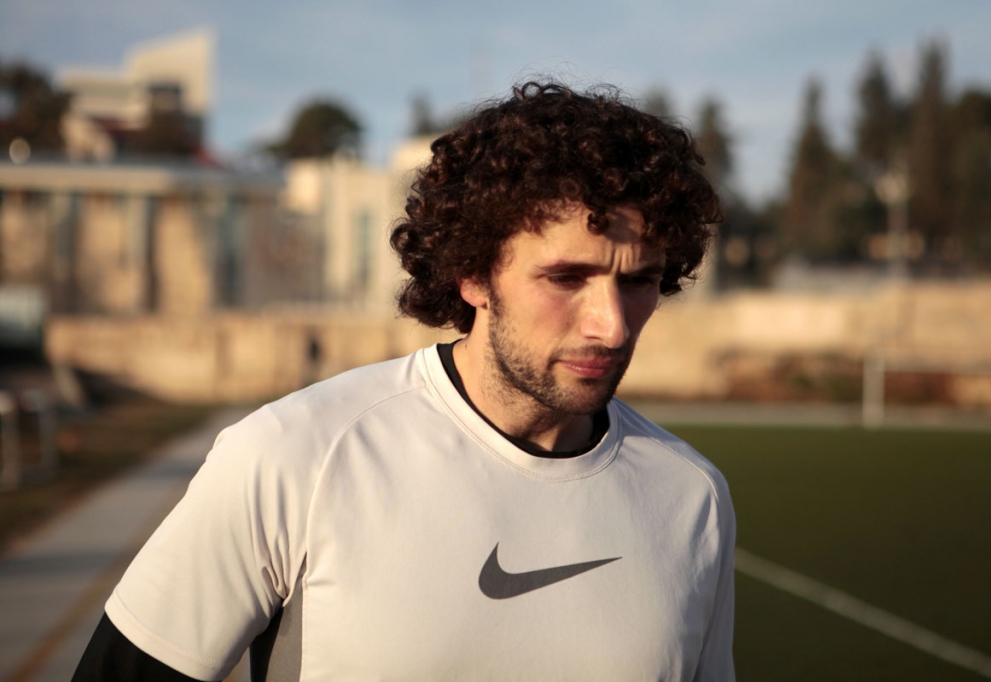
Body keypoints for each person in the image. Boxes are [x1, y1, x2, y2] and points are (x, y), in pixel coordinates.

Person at [73, 82, 735, 681]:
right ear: (472, 275)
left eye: (640, 280)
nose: (613, 326)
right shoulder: (293, 456)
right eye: (566, 278)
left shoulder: (692, 497)